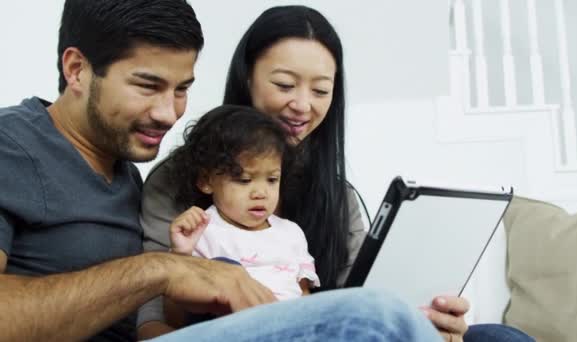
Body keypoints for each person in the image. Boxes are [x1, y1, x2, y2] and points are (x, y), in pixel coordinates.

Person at [0, 1, 444, 341]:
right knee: (375, 319)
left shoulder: (120, 168)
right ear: (76, 69)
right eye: (148, 86)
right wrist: (165, 270)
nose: (168, 112)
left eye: (182, 89)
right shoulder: (11, 146)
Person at [137, 5, 534, 342]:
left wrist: (428, 319)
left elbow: (362, 305)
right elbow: (150, 324)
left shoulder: (335, 197)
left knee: (498, 337)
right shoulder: (178, 180)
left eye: (321, 90)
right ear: (246, 77)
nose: (302, 105)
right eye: (285, 84)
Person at [168, 105, 320, 303]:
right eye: (244, 180)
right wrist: (181, 255)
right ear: (206, 180)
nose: (260, 193)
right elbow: (178, 315)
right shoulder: (201, 233)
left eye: (272, 179)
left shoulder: (291, 233)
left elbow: (304, 298)